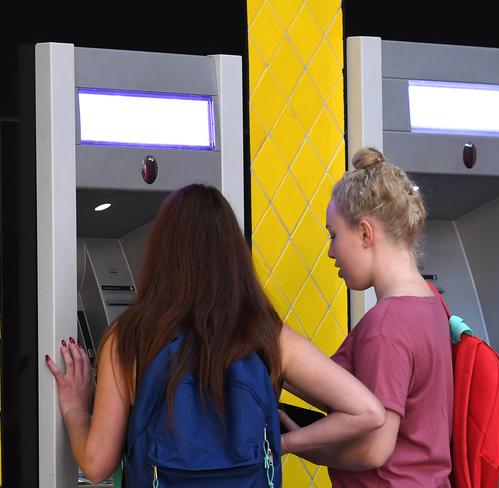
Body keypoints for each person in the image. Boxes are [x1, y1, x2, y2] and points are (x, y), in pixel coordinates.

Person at [45, 183, 385, 484]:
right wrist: (283, 443)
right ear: (233, 254)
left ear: (162, 254)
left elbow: (97, 465)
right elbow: (367, 412)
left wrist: (76, 407)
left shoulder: (129, 337)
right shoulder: (267, 335)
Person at [280, 147, 454, 487]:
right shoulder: (433, 307)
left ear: (365, 233)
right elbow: (353, 396)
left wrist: (290, 444)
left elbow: (374, 450)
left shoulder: (387, 326)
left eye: (333, 235)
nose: (331, 251)